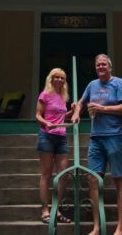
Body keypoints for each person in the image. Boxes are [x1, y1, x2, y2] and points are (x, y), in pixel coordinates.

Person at [71, 54, 122, 235]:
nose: (100, 67)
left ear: (110, 67)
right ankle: (97, 226)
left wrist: (103, 109)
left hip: (115, 136)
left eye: (103, 64)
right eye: (98, 64)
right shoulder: (92, 85)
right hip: (96, 138)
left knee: (118, 178)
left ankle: (120, 227)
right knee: (92, 179)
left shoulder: (118, 83)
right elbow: (81, 102)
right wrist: (76, 112)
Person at [35, 67, 72, 224]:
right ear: (51, 79)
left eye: (62, 78)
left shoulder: (63, 97)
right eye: (56, 77)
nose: (59, 80)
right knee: (47, 174)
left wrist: (72, 111)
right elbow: (38, 115)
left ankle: (56, 209)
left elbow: (61, 116)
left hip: (61, 138)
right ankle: (45, 210)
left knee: (63, 174)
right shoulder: (45, 94)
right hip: (47, 137)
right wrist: (46, 123)